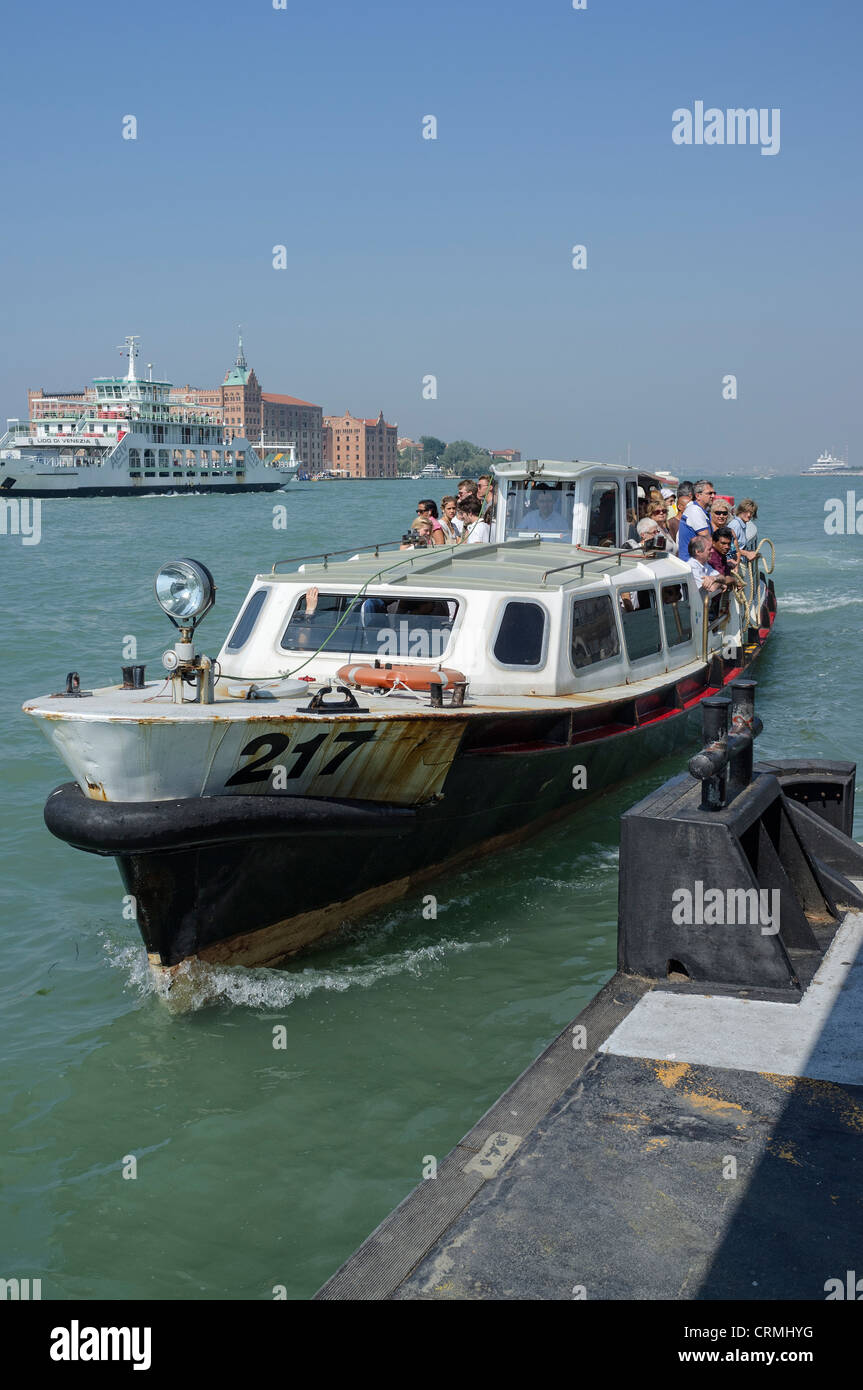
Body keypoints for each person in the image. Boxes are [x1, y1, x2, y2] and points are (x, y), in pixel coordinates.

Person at [676, 479, 716, 557]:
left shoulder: (699, 510)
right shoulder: (694, 510)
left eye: (714, 493)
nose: (713, 496)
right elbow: (706, 536)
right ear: (698, 496)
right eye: (709, 493)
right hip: (691, 561)